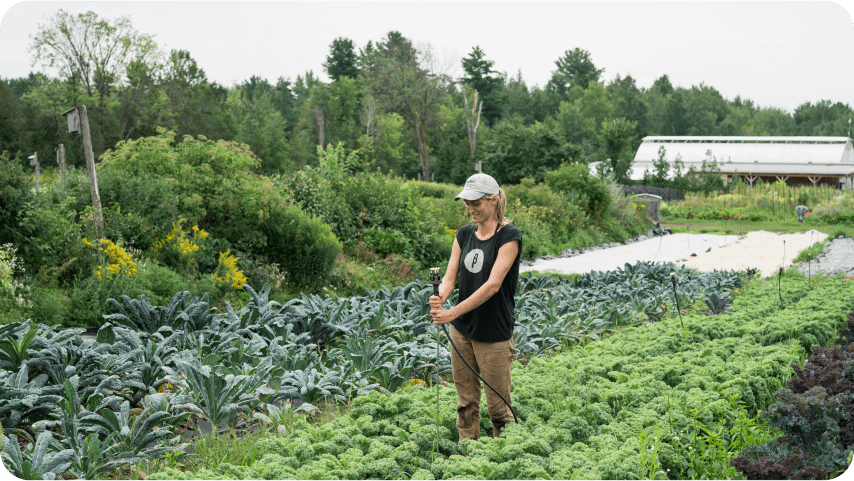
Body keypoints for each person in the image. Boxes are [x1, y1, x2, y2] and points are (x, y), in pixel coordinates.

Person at [429, 173, 522, 441]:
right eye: (466, 203)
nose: (470, 208)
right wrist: (441, 297)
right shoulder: (464, 234)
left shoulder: (509, 237)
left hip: (493, 333)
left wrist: (452, 312)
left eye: (475, 203)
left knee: (498, 408)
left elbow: (493, 285)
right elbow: (449, 277)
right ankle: (467, 455)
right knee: (465, 403)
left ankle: (503, 460)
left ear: (493, 201)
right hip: (463, 332)